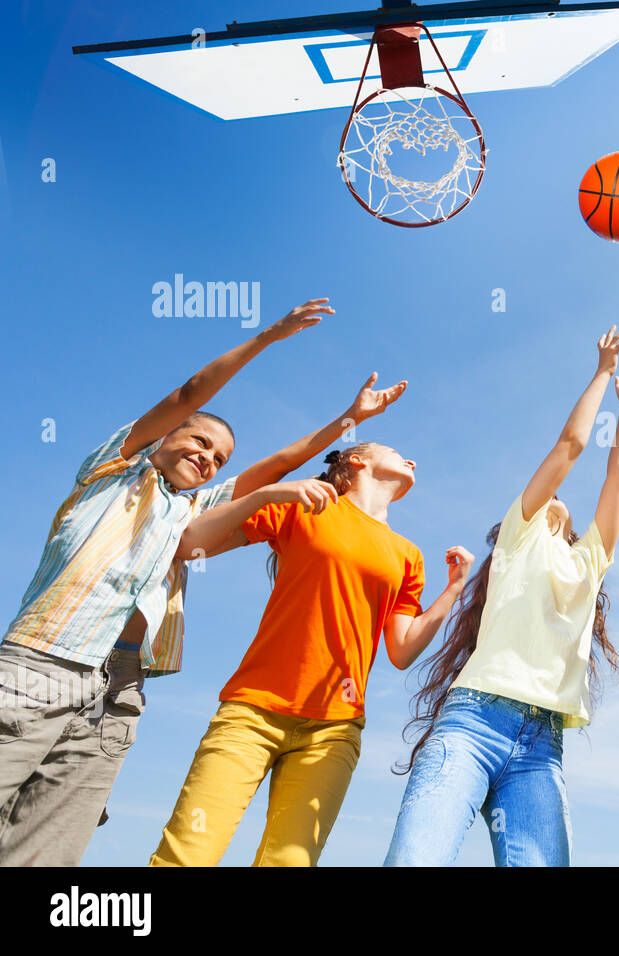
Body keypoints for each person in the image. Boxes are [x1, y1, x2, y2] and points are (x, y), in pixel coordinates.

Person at [0, 299, 405, 866]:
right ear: (162, 438)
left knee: (49, 850)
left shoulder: (191, 510)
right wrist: (268, 337)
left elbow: (277, 466)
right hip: (46, 663)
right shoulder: (113, 470)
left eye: (217, 459)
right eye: (198, 443)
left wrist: (349, 420)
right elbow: (189, 394)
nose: (207, 458)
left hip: (120, 687)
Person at [384, 327, 619, 867]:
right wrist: (602, 372)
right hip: (472, 722)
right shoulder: (517, 536)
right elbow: (570, 448)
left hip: (542, 747)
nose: (556, 501)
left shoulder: (588, 560)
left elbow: (618, 475)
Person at [148, 438, 468, 867]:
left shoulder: (408, 555)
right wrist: (267, 494)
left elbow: (403, 650)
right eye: (394, 451)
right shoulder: (306, 507)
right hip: (253, 711)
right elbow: (191, 546)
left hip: (334, 729)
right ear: (358, 460)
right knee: (188, 853)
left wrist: (454, 589)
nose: (410, 458)